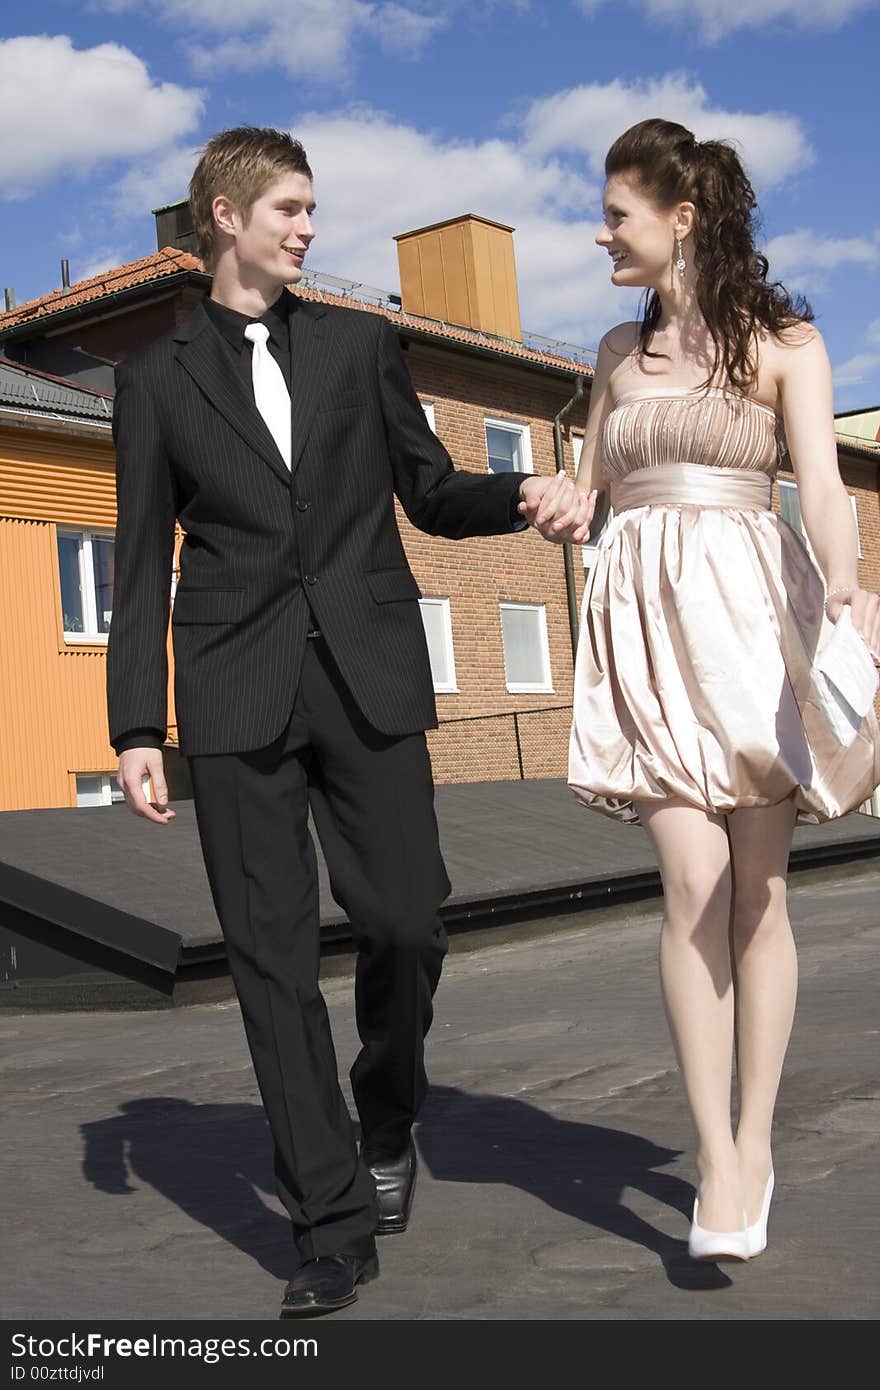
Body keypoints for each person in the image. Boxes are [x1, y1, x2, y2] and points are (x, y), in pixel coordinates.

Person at [107, 125, 591, 1317]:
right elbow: (134, 560)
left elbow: (425, 486)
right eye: (289, 209)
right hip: (230, 686)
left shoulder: (361, 345)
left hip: (366, 671)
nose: (308, 229)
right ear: (225, 216)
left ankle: (388, 1112)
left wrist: (518, 493)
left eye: (312, 210)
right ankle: (327, 1221)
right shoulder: (155, 381)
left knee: (406, 920)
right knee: (270, 964)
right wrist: (135, 726)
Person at [522, 118, 880, 1262]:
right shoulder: (614, 351)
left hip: (751, 626)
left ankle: (757, 1138)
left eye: (615, 211)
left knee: (761, 892)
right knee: (695, 874)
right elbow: (593, 495)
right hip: (644, 628)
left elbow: (821, 490)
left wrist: (848, 580)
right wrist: (561, 506)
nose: (600, 231)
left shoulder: (786, 344)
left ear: (680, 218)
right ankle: (714, 1159)